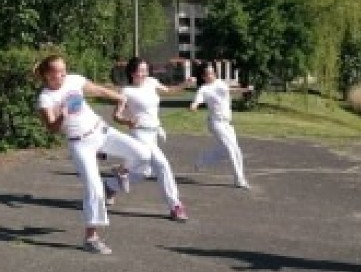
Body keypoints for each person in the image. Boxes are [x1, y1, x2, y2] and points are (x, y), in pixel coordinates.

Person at [35, 54, 189, 255]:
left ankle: (122, 171)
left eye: (64, 69)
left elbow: (97, 89)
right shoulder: (45, 98)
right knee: (95, 189)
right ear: (47, 74)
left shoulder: (74, 80)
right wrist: (62, 114)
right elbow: (52, 128)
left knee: (143, 154)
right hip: (80, 144)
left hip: (102, 131)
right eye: (58, 71)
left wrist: (119, 97)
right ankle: (91, 237)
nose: (63, 74)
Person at [106, 57, 190, 201]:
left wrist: (185, 84)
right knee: (162, 164)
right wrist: (127, 121)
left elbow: (169, 90)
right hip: (139, 133)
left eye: (146, 70)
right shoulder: (126, 91)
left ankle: (111, 185)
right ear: (132, 73)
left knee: (144, 172)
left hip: (153, 132)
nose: (144, 74)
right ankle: (175, 204)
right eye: (141, 71)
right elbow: (116, 115)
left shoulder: (152, 82)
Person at [189, 63, 251, 189]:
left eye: (212, 72)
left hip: (227, 123)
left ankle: (202, 160)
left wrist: (244, 90)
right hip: (216, 123)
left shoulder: (221, 83)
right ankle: (239, 179)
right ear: (203, 76)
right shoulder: (204, 89)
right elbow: (197, 100)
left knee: (231, 150)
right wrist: (194, 105)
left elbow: (230, 90)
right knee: (231, 149)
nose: (211, 75)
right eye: (208, 74)